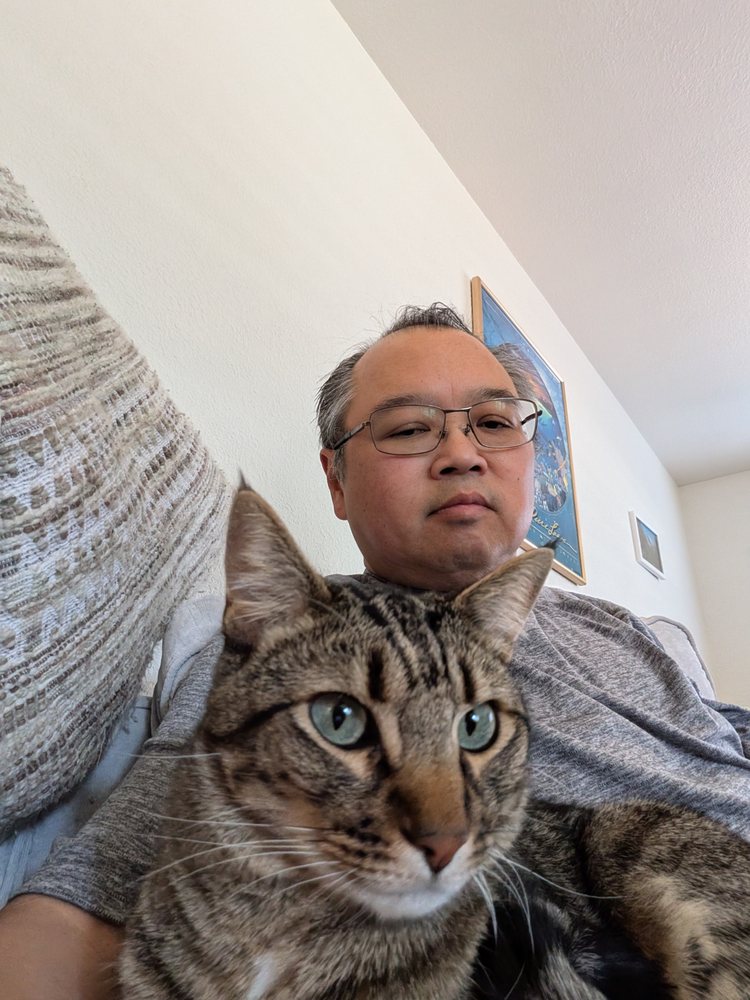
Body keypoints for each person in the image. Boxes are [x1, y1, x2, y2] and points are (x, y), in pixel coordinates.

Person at [1, 304, 749, 999]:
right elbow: (91, 905)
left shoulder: (627, 629)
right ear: (336, 480)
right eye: (409, 428)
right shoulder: (278, 640)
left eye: (494, 421)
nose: (463, 454)